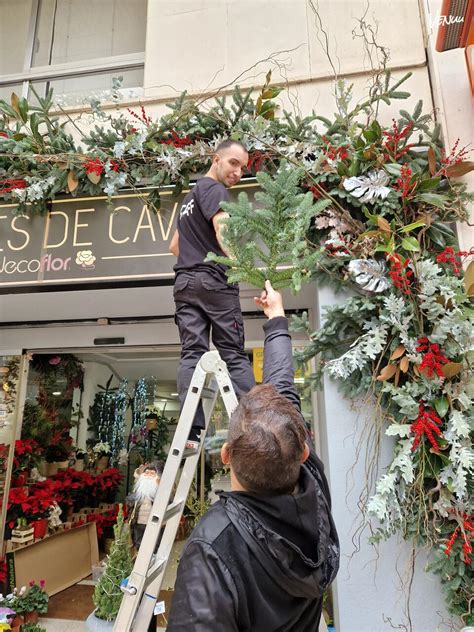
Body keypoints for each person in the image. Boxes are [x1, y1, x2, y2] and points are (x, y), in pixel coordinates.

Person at [167, 281, 340, 632]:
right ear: (303, 451)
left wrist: (277, 316)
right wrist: (276, 317)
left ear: (226, 454)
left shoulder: (212, 546)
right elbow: (282, 387)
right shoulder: (314, 494)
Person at [169, 140, 255, 447]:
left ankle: (191, 433)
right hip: (213, 280)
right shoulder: (215, 191)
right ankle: (253, 424)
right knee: (232, 354)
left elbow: (174, 247)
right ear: (215, 159)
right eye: (233, 163)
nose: (238, 172)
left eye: (243, 167)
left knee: (192, 353)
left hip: (184, 284)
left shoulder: (188, 199)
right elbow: (224, 231)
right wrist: (238, 265)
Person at [126, 462, 162, 550]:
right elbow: (128, 500)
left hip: (154, 522)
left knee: (154, 543)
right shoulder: (138, 491)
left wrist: (159, 487)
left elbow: (168, 501)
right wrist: (138, 495)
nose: (149, 475)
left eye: (152, 473)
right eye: (147, 473)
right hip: (139, 522)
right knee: (139, 542)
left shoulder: (160, 491)